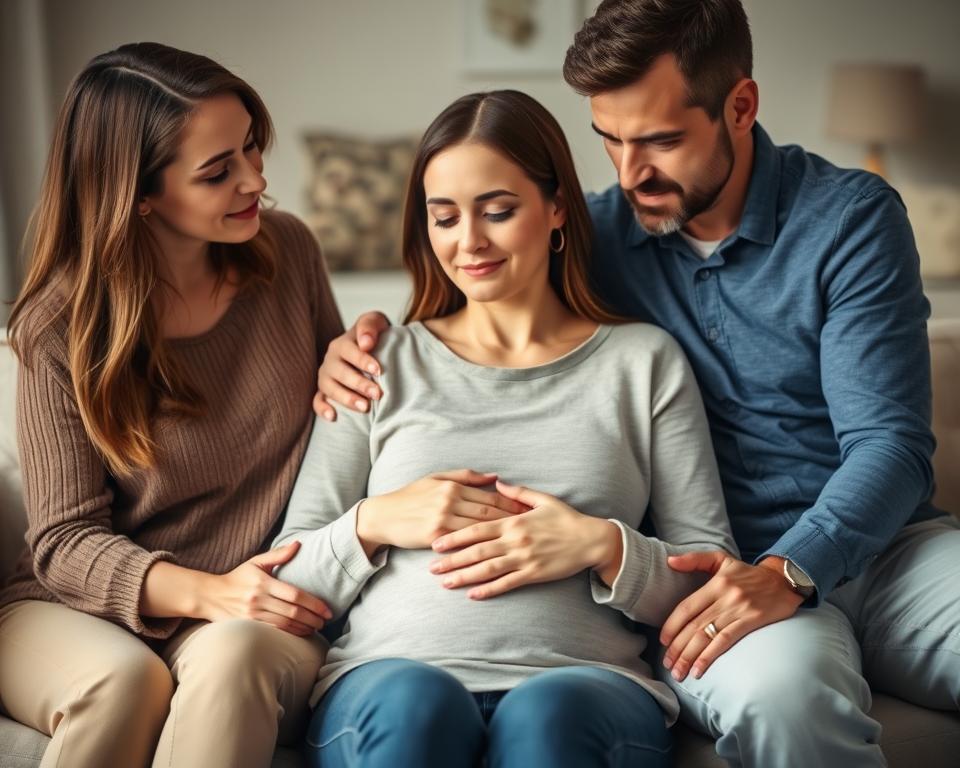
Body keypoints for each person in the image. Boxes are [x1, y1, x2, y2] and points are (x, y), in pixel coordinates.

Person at [314, 1, 960, 766]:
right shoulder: (597, 233)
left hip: (881, 553)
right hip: (712, 577)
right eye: (611, 141)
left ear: (740, 107)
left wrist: (792, 569)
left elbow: (891, 446)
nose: (631, 174)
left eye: (660, 140)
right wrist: (360, 344)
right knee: (789, 701)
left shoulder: (846, 219)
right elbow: (480, 275)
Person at [273, 89, 736, 768]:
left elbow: (707, 576)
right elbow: (287, 576)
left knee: (551, 717)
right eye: (445, 218)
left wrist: (601, 547)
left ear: (555, 211)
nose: (469, 243)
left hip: (586, 688)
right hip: (385, 680)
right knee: (415, 708)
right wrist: (375, 522)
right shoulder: (375, 363)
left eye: (497, 211)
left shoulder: (643, 362)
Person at [0, 43, 343, 768]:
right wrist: (210, 592)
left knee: (229, 661)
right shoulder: (59, 326)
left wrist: (366, 348)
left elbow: (346, 417)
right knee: (121, 682)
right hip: (74, 606)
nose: (256, 179)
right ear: (139, 193)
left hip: (248, 606)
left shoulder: (289, 255)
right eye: (218, 171)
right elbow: (62, 543)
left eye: (251, 147)